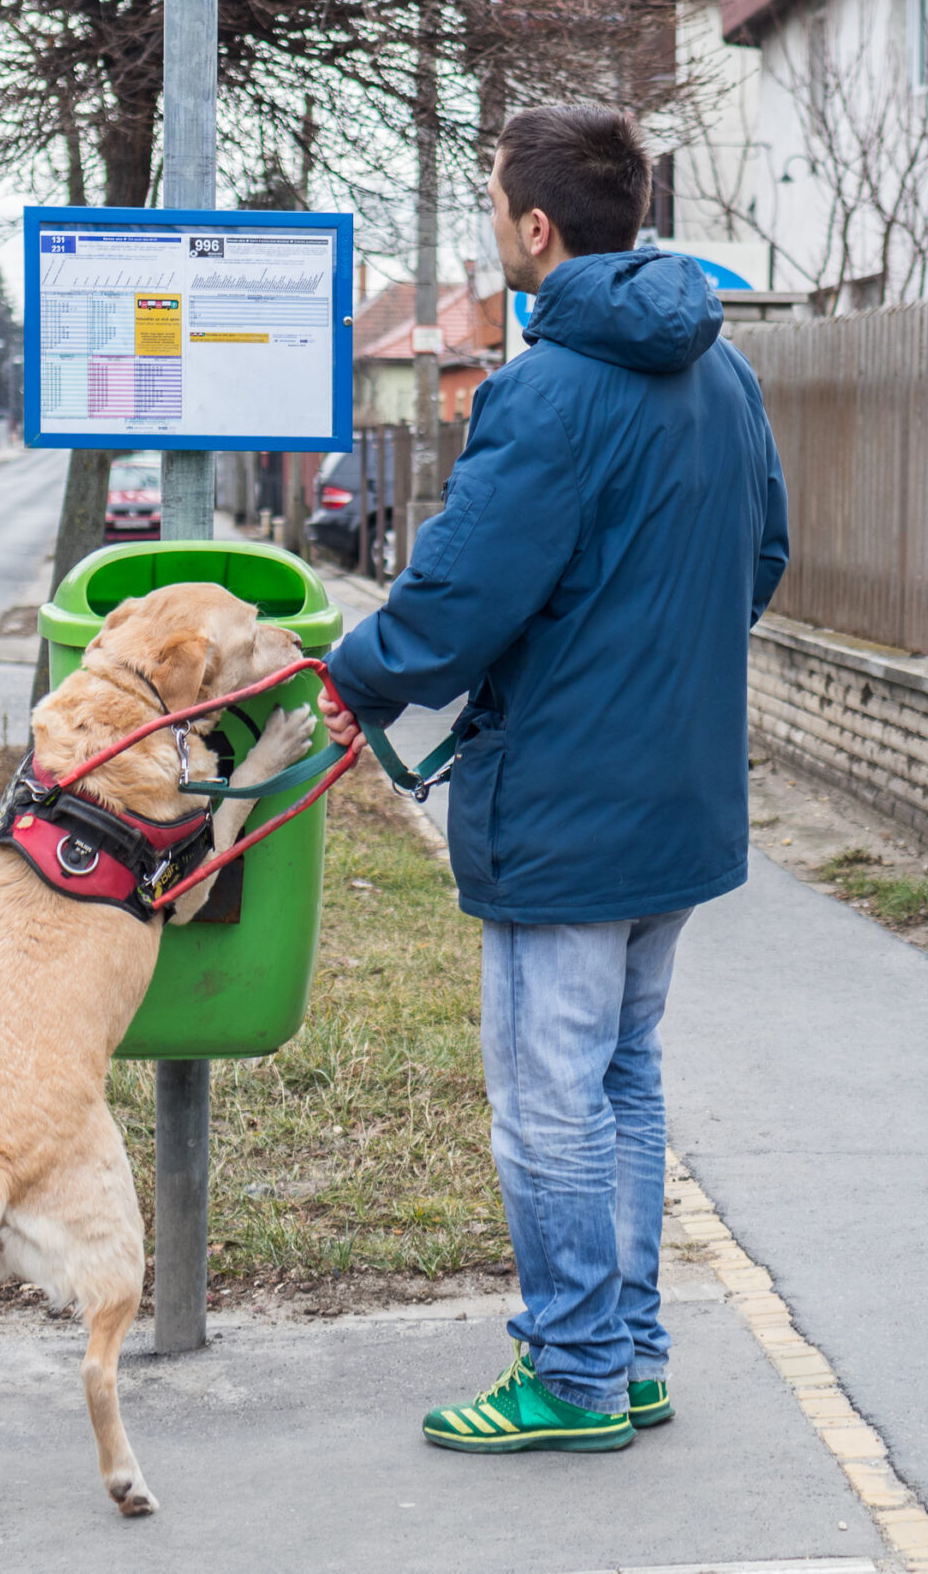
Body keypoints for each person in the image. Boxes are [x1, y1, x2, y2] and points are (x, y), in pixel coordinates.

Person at [319, 105, 789, 1453]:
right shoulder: (726, 373)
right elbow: (761, 557)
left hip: (568, 807)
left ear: (536, 227)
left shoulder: (548, 390)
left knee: (546, 1096)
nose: (493, 234)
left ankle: (575, 1371)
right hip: (681, 791)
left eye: (493, 211)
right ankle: (629, 1355)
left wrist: (354, 676)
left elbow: (462, 595)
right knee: (623, 1075)